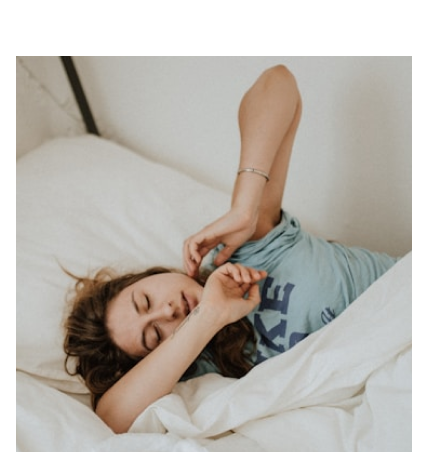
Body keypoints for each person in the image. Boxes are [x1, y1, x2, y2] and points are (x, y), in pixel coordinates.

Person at [64, 65, 398, 434]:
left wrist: (244, 206)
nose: (168, 310)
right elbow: (112, 417)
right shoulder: (207, 370)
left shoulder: (247, 250)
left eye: (146, 300)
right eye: (155, 335)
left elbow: (279, 84)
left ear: (152, 276)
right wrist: (208, 316)